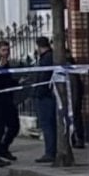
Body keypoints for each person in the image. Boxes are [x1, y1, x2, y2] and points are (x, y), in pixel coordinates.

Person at [32, 36, 57, 164]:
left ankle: (50, 152)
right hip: (47, 95)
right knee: (50, 124)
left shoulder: (46, 58)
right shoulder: (48, 57)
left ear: (38, 46)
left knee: (47, 124)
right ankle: (52, 150)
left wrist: (38, 93)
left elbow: (43, 78)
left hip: (45, 96)